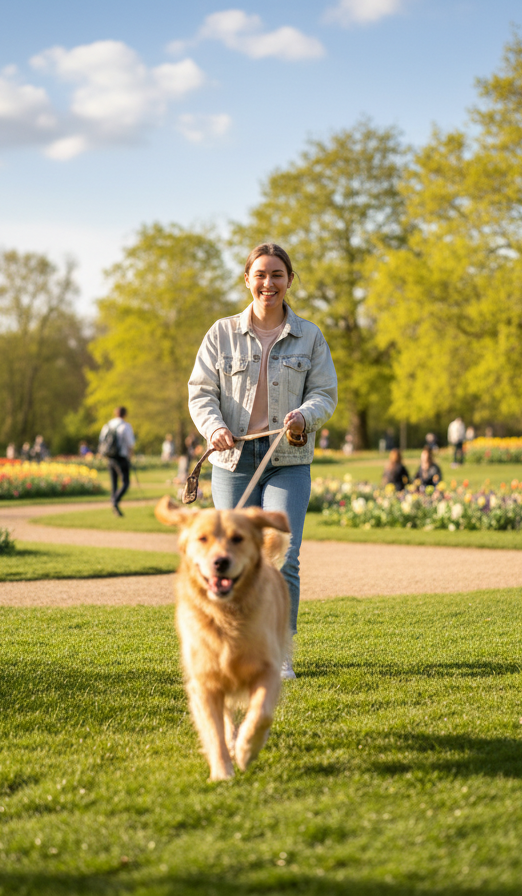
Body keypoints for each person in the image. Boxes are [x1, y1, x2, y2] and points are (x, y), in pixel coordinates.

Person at [189, 242, 338, 680]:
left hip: (288, 458)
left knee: (282, 557)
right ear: (248, 279)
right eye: (261, 274)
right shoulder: (221, 333)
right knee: (230, 558)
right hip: (232, 460)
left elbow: (324, 393)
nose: (268, 283)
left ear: (289, 280)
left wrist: (306, 415)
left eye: (277, 274)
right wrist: (213, 427)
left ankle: (278, 653)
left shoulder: (309, 336)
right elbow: (201, 392)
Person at [99, 407, 135, 516]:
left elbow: (102, 440)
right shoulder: (125, 426)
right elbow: (130, 444)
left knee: (114, 482)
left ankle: (114, 503)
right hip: (121, 457)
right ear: (125, 414)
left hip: (110, 457)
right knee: (125, 482)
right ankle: (115, 501)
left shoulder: (107, 425)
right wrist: (130, 456)